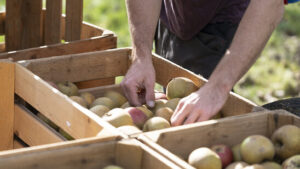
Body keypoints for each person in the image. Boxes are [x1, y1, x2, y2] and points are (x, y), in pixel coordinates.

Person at [120, 0, 290, 126]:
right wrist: (141, 56)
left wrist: (217, 88)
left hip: (221, 20)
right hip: (172, 15)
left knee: (200, 124)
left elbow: (270, 3)